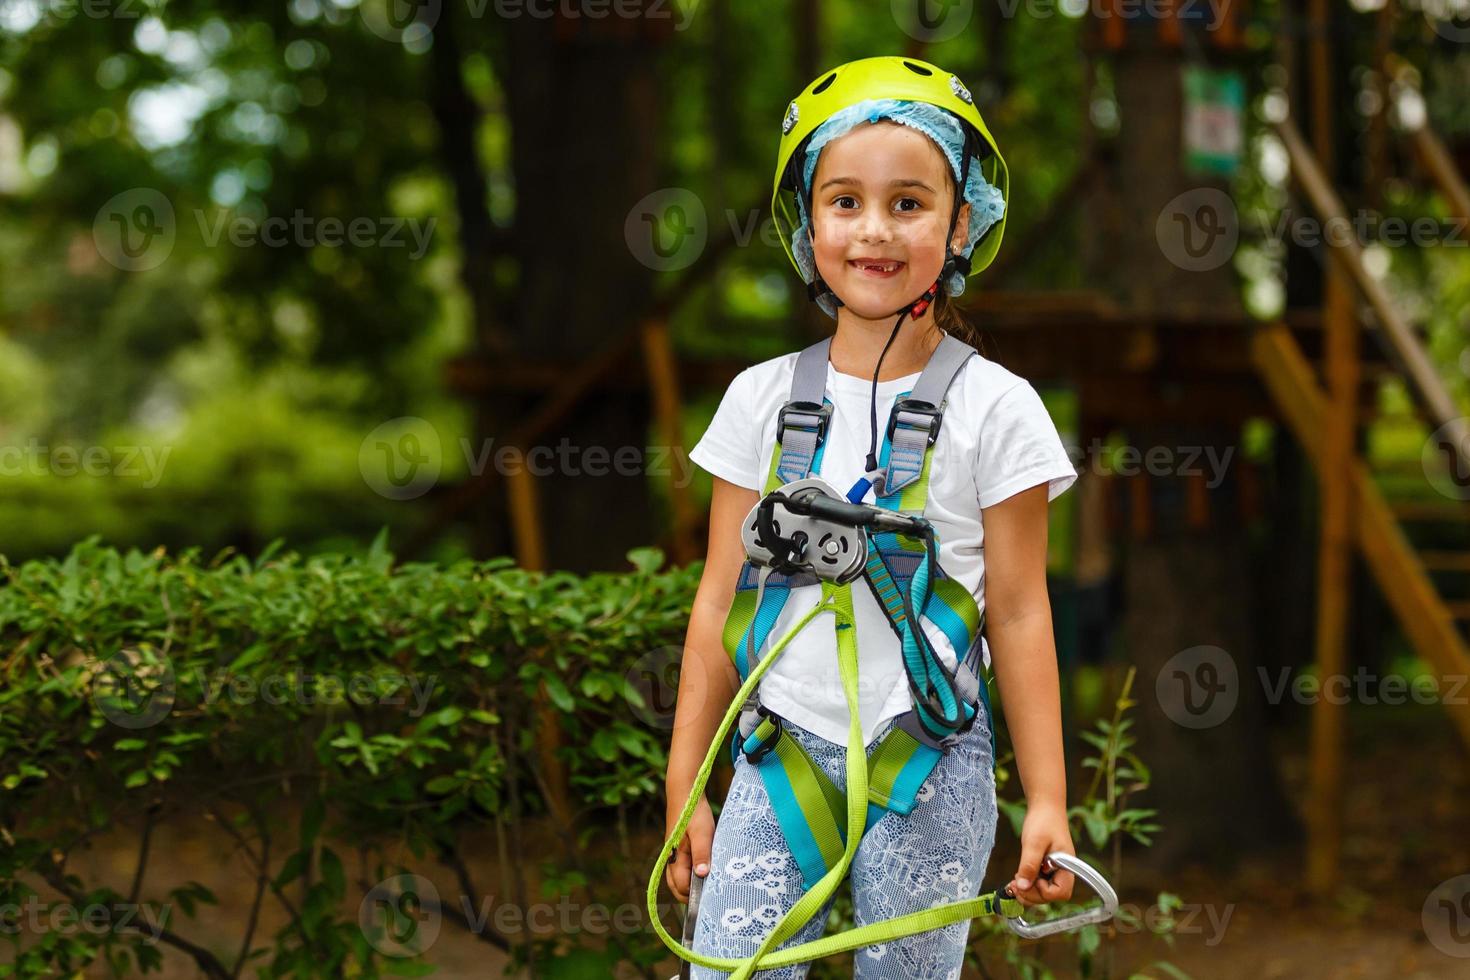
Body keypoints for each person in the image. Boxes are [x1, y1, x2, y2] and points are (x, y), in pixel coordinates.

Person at [663, 56, 1080, 979]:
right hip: (778, 758)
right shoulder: (760, 400)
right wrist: (686, 783)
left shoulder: (997, 409)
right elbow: (715, 603)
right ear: (805, 229)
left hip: (929, 758)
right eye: (844, 202)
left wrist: (1047, 797)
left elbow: (1017, 611)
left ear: (962, 220)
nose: (874, 231)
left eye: (909, 203)